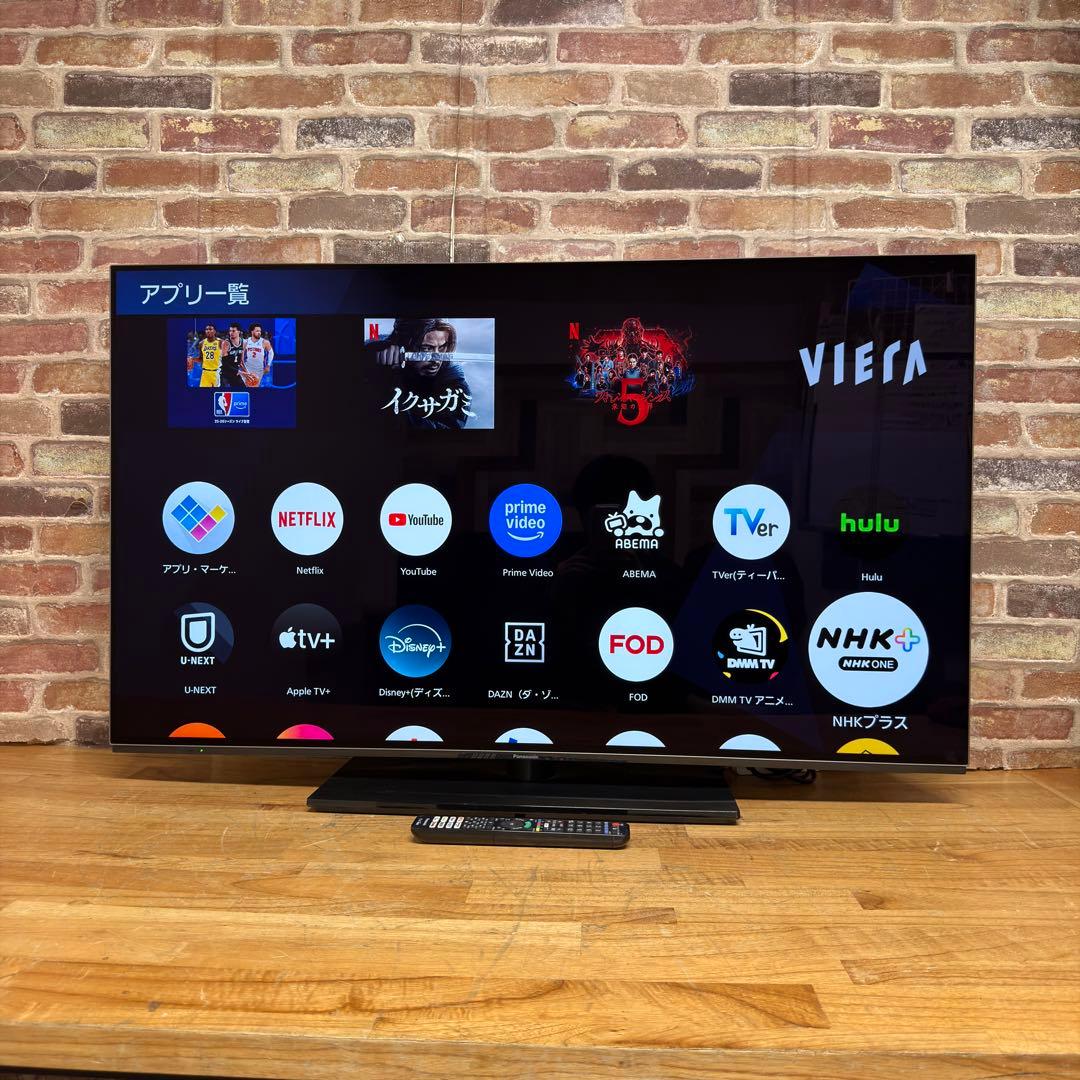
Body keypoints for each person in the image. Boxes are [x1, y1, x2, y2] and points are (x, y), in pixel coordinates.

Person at [369, 317, 473, 430]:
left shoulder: (455, 385)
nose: (436, 360)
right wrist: (372, 358)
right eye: (426, 348)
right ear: (403, 344)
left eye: (442, 347)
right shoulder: (381, 352)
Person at [242, 322, 274, 388]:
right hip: (248, 368)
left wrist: (268, 365)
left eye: (260, 331)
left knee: (256, 386)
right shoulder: (246, 341)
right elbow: (241, 355)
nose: (259, 332)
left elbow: (271, 353)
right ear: (252, 332)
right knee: (247, 386)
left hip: (259, 368)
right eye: (257, 331)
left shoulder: (265, 342)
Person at [220, 323, 247, 391]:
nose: (231, 333)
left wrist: (247, 373)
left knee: (243, 391)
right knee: (224, 394)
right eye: (230, 331)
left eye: (233, 331)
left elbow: (241, 361)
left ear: (239, 332)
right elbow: (224, 364)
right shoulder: (226, 343)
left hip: (235, 372)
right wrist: (240, 372)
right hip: (225, 373)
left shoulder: (243, 342)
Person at [198, 323, 222, 388]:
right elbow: (201, 358)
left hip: (216, 372)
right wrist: (192, 359)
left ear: (215, 331)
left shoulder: (220, 342)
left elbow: (226, 357)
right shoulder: (201, 343)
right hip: (205, 372)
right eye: (206, 329)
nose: (208, 331)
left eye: (210, 329)